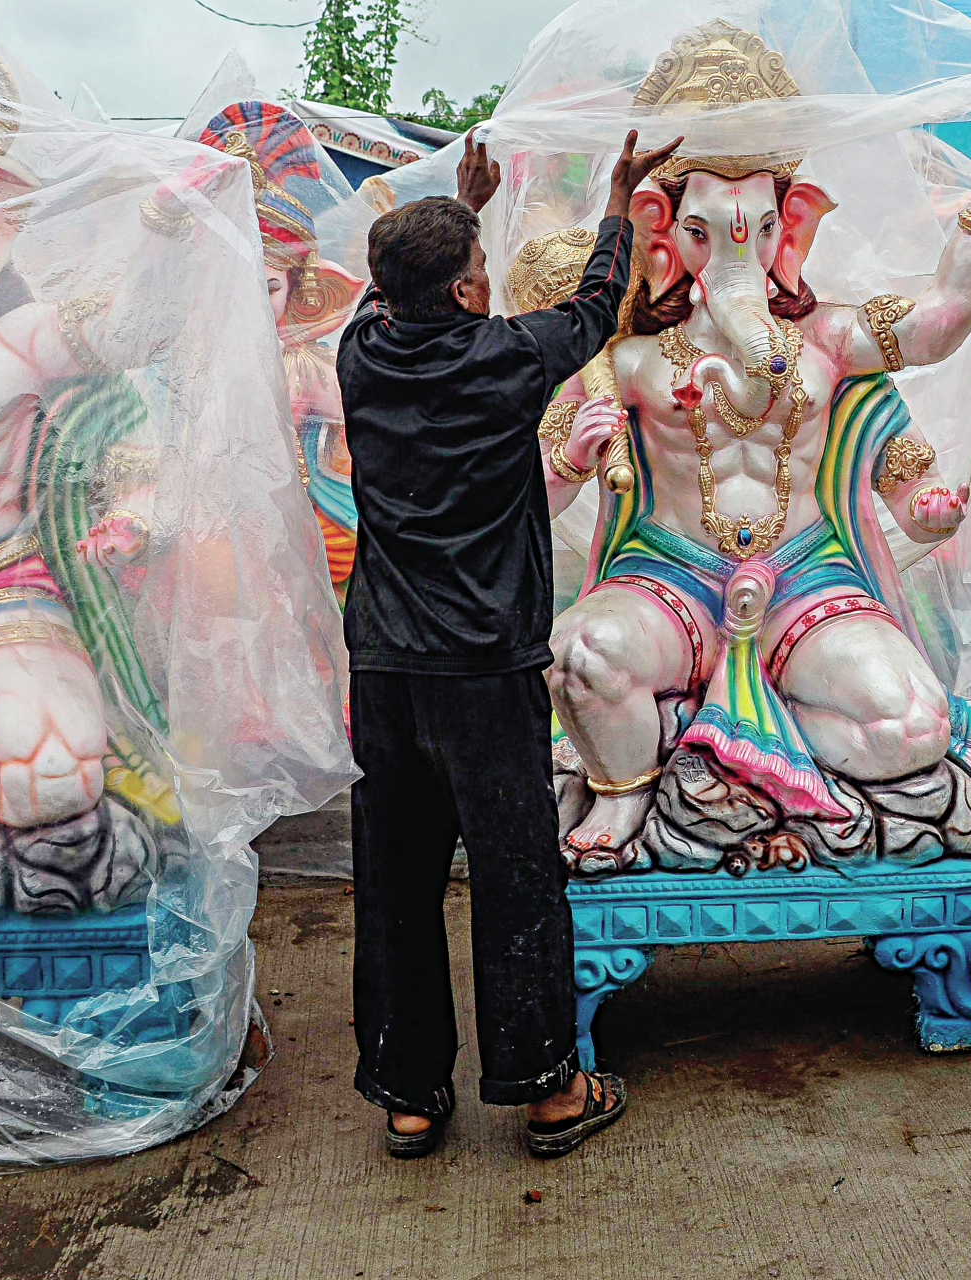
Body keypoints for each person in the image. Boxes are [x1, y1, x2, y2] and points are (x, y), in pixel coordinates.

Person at [337, 127, 680, 1158]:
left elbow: (399, 287)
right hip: (485, 668)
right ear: (469, 296)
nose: (488, 280)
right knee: (516, 871)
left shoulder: (360, 355)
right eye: (480, 269)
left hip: (388, 668)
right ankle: (546, 1088)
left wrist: (463, 208)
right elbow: (593, 308)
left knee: (395, 875)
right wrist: (619, 196)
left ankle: (408, 1091)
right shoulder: (504, 361)